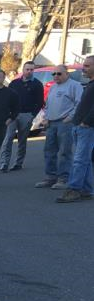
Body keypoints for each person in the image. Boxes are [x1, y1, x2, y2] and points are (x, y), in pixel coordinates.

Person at [36, 65, 83, 189]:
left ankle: (63, 179)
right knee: (49, 151)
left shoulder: (75, 85)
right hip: (51, 123)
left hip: (65, 123)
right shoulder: (53, 87)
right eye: (54, 74)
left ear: (67, 74)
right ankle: (50, 177)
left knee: (64, 152)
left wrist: (70, 117)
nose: (56, 76)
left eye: (59, 74)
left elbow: (79, 104)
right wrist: (45, 118)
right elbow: (47, 104)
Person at [57, 55, 94, 202]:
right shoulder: (90, 84)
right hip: (79, 126)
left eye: (87, 66)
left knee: (79, 159)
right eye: (84, 65)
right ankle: (86, 189)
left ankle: (74, 189)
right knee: (84, 160)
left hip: (87, 127)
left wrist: (87, 122)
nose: (83, 68)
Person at [0, 61, 44, 171]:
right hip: (13, 115)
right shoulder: (14, 83)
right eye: (27, 69)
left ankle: (18, 163)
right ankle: (4, 163)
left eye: (31, 69)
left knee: (22, 140)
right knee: (8, 138)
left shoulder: (37, 84)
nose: (29, 71)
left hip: (27, 115)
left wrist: (32, 115)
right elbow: (7, 98)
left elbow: (39, 102)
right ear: (23, 70)